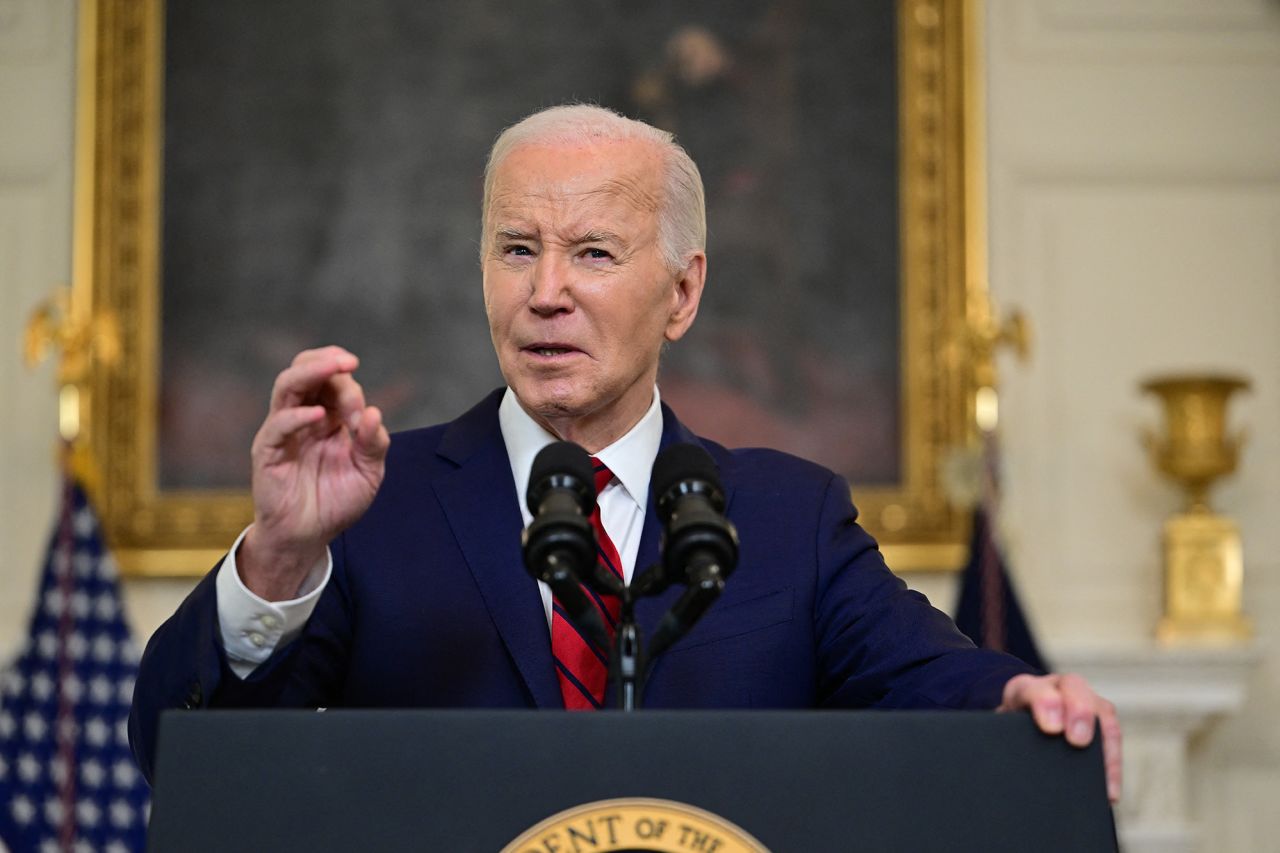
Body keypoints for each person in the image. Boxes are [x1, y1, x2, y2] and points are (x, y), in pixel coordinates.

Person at [129, 104, 1121, 800]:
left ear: (682, 293)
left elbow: (932, 681)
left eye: (593, 252)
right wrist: (277, 561)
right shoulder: (372, 510)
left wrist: (1015, 697)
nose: (545, 291)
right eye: (516, 248)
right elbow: (183, 760)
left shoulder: (788, 519)